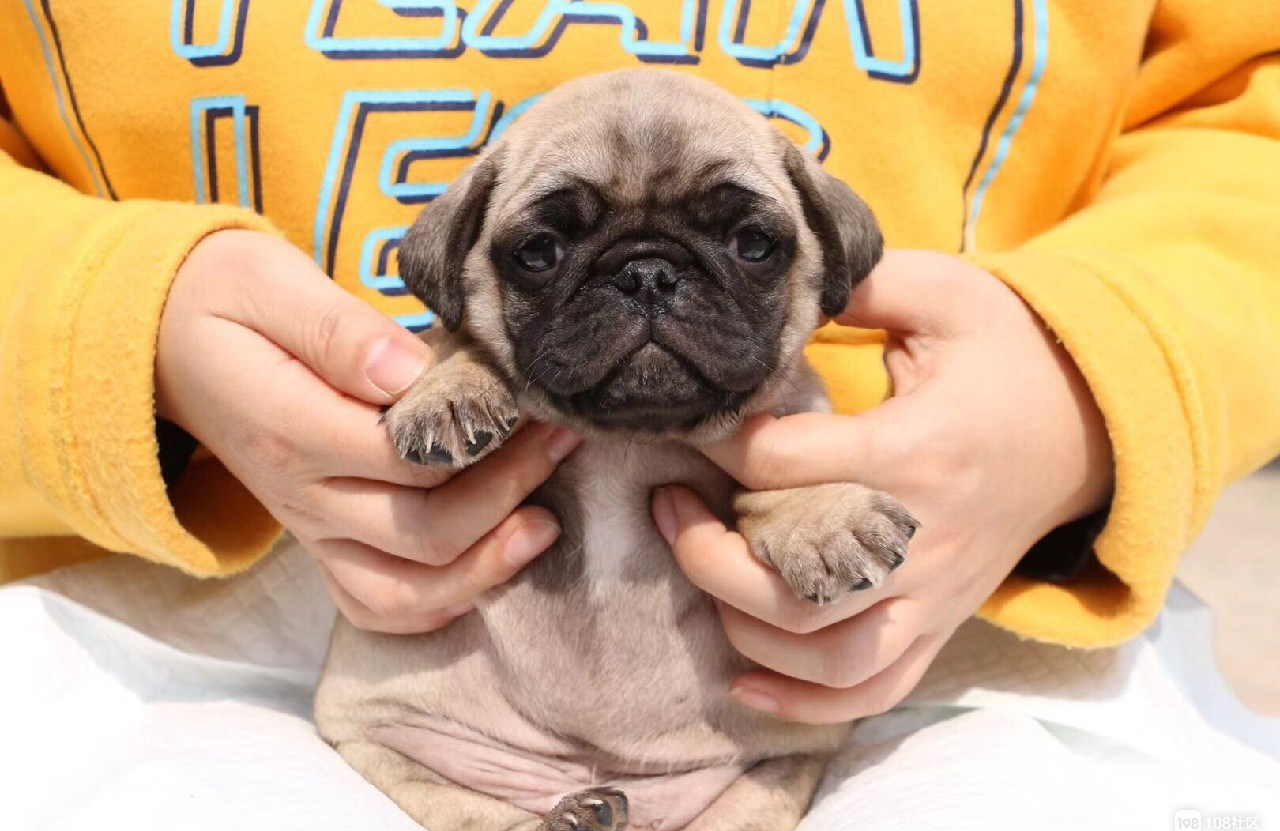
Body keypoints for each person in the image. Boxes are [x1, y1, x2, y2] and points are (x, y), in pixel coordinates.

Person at [0, 2, 1276, 730]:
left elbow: (1246, 102)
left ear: (825, 246)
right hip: (163, 630)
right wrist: (99, 325)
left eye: (740, 243)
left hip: (946, 622)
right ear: (455, 264)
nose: (648, 287)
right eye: (550, 250)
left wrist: (1093, 376)